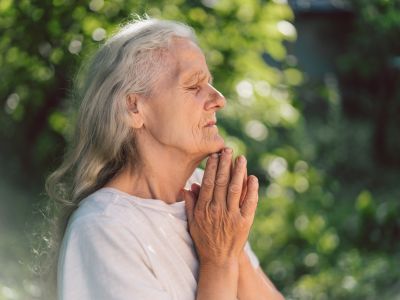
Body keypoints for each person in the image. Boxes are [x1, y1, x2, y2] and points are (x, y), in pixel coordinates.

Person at [47, 17, 284, 300]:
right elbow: (221, 258)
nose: (219, 99)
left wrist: (232, 246)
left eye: (210, 83)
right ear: (133, 108)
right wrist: (218, 260)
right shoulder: (104, 229)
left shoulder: (206, 198)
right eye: (194, 86)